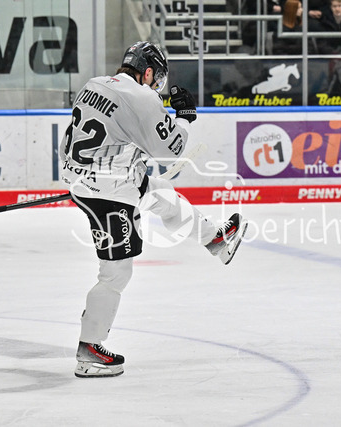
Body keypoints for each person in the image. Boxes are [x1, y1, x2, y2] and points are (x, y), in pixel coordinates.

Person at [61, 41, 248, 378]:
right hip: (109, 194)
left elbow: (77, 143)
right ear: (147, 72)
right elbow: (170, 150)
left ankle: (216, 240)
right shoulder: (141, 97)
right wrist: (185, 119)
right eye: (156, 78)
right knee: (116, 272)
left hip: (94, 181)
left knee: (161, 194)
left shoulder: (95, 84)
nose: (156, 85)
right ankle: (89, 350)